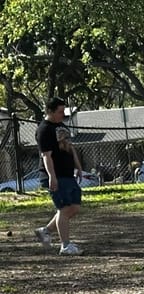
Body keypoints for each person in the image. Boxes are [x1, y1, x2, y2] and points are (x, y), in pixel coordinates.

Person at [34, 98, 84, 255]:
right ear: (50, 111)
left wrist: (78, 166)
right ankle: (65, 245)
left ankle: (45, 231)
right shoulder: (44, 130)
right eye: (60, 111)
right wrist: (52, 177)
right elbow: (46, 156)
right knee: (64, 209)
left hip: (68, 174)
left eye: (64, 111)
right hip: (56, 175)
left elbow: (70, 148)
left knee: (74, 207)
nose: (63, 114)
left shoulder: (62, 126)